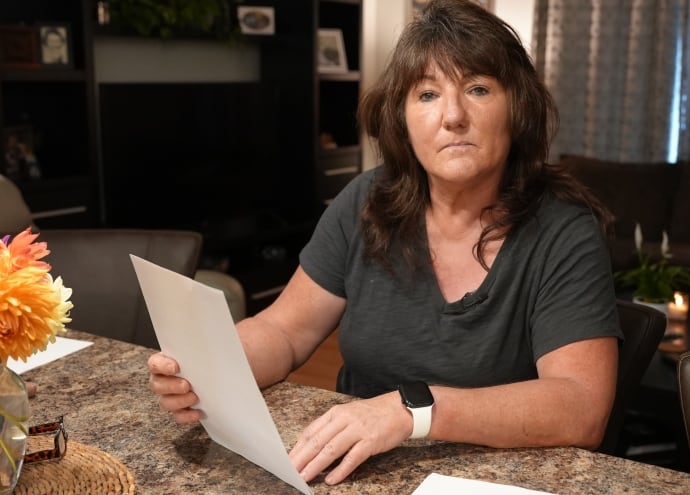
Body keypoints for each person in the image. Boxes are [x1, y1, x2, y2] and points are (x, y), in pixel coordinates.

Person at [148, 0, 621, 486]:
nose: (453, 116)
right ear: (402, 119)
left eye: (478, 89)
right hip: (355, 471)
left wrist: (410, 411)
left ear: (517, 108)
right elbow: (285, 332)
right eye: (428, 95)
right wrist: (209, 369)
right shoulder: (366, 200)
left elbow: (580, 407)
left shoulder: (565, 229)